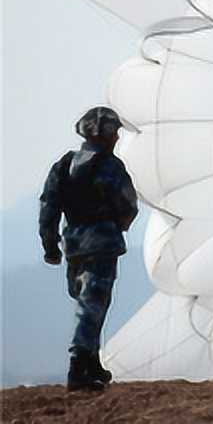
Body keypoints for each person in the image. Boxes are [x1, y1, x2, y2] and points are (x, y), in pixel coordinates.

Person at [39, 106, 139, 392]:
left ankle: (91, 360)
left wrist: (50, 243)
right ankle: (79, 365)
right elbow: (128, 204)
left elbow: (49, 206)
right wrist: (116, 225)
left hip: (73, 244)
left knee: (86, 300)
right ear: (105, 134)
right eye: (114, 133)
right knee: (92, 304)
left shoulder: (64, 165)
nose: (117, 138)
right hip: (102, 243)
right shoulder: (111, 167)